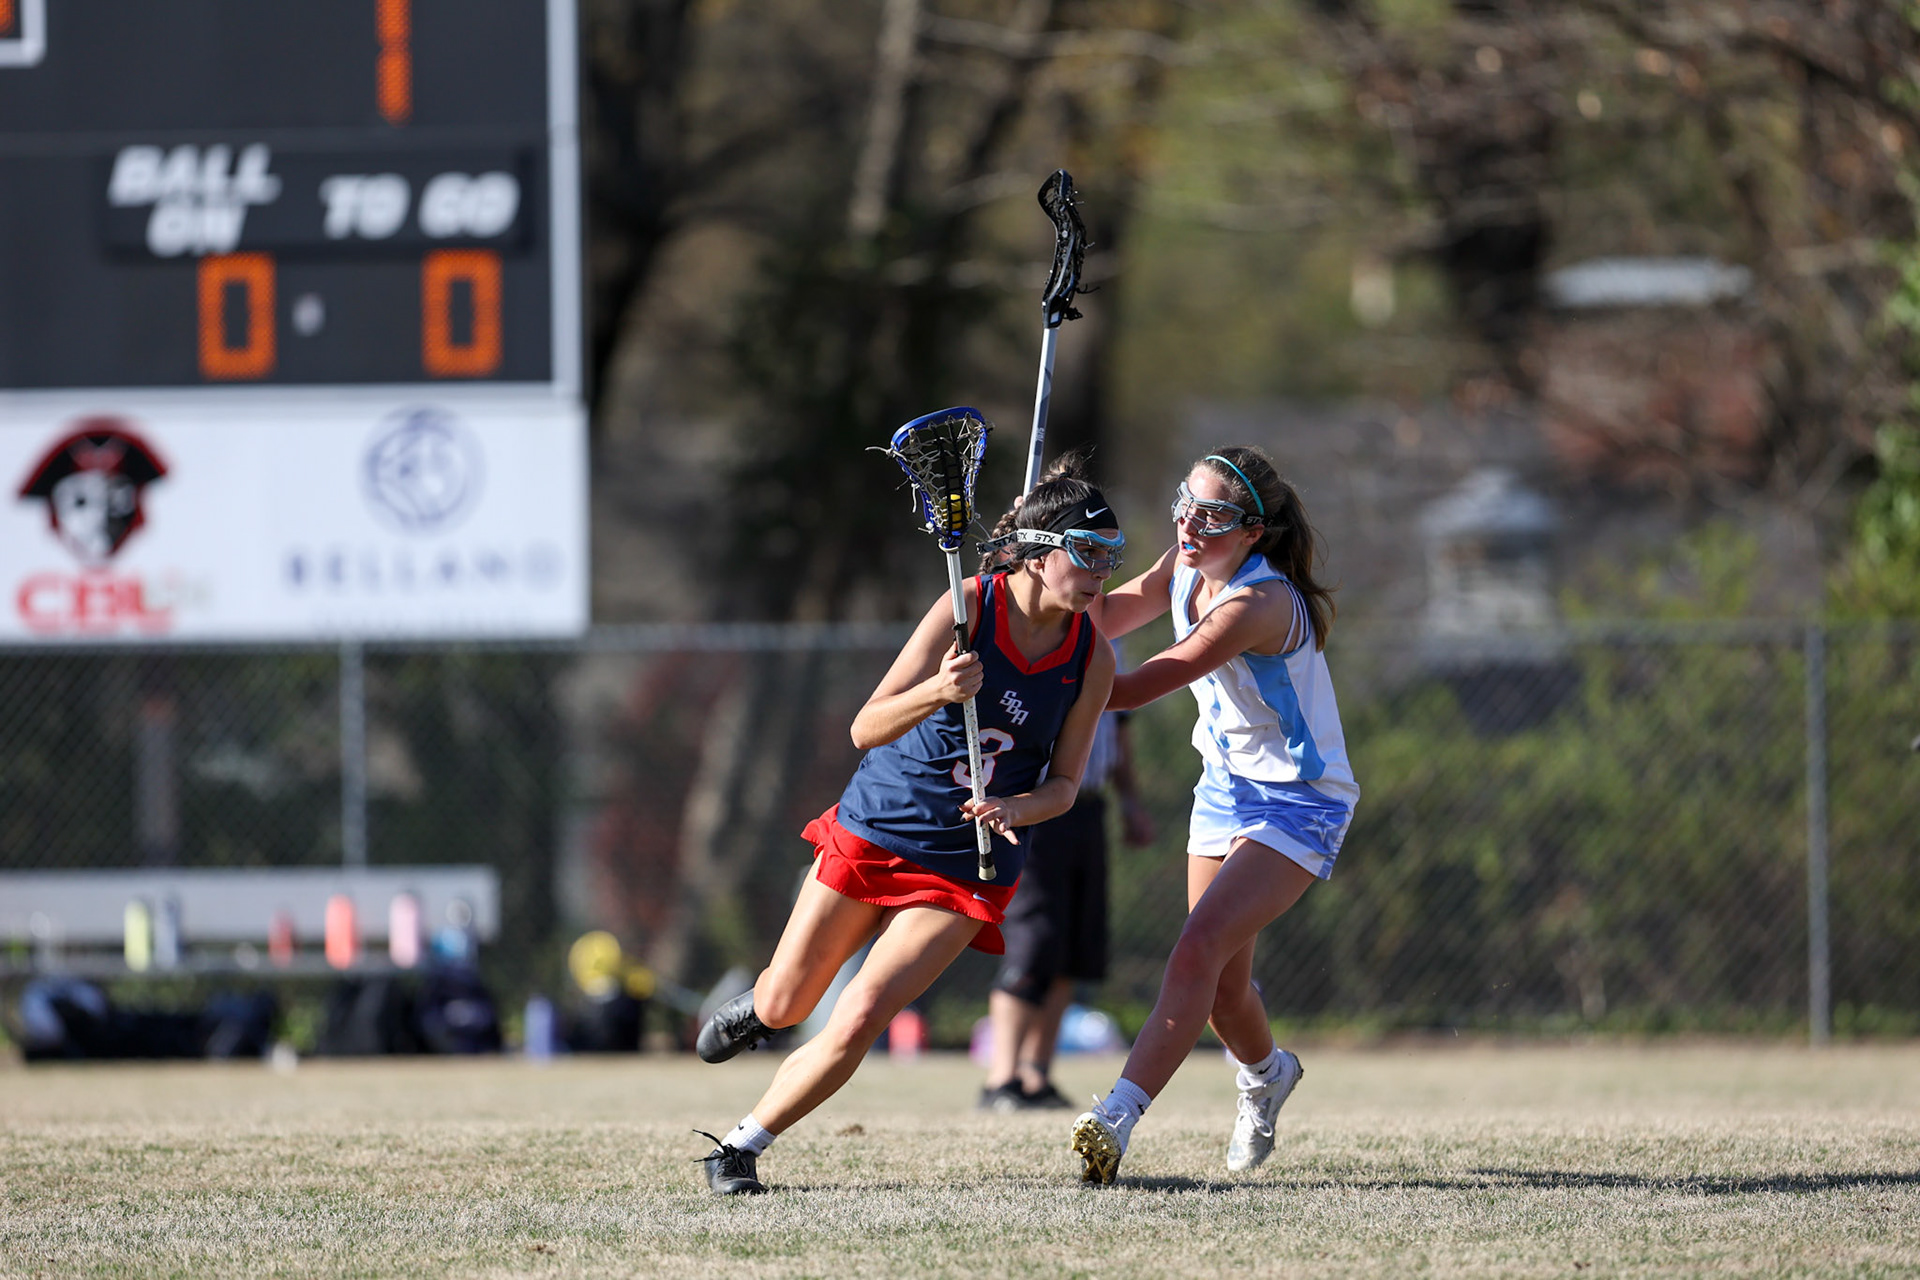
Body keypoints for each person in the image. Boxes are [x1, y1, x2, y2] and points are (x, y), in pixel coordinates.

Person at [691, 462, 1123, 1195]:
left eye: (1110, 557)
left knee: (858, 1016)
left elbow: (1064, 786)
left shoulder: (1092, 657)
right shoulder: (967, 610)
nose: (1100, 574)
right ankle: (762, 1010)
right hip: (877, 830)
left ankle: (737, 1148)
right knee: (789, 1003)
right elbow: (866, 727)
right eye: (1087, 553)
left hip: (964, 868)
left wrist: (1015, 811)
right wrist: (939, 689)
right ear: (1039, 551)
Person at [1068, 446, 1357, 1184]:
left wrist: (1044, 680)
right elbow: (1100, 615)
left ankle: (1117, 1115)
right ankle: (1267, 1075)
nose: (1190, 525)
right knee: (1225, 985)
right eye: (1184, 505)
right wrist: (1041, 555)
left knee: (1196, 947)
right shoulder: (1184, 562)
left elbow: (1139, 684)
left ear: (1252, 532)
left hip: (1299, 797)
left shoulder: (1257, 604)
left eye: (1213, 515)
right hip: (1225, 787)